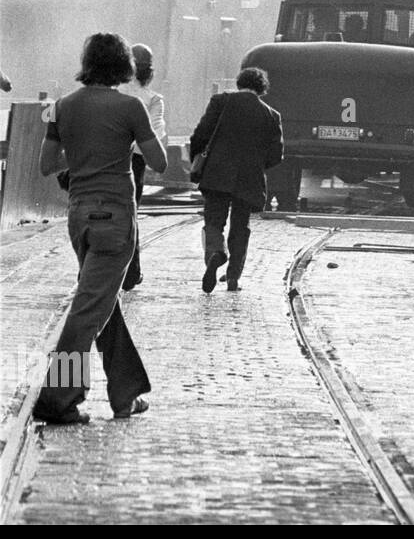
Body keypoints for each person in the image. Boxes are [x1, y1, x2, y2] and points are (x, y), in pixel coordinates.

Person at [32, 33, 167, 425]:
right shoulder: (131, 107)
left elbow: (46, 165)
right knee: (88, 309)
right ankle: (58, 398)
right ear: (124, 65)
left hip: (79, 218)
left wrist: (83, 156)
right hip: (115, 219)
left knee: (100, 301)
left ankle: (126, 394)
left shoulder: (61, 108)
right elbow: (157, 161)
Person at [189, 67, 284, 293]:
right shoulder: (271, 115)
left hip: (217, 173)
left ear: (239, 82)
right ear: (262, 89)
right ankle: (233, 277)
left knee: (213, 221)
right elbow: (276, 154)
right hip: (249, 178)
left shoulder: (220, 102)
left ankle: (215, 252)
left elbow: (200, 134)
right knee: (241, 227)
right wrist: (258, 165)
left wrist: (198, 160)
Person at [122, 44, 166, 291]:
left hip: (101, 158)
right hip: (132, 165)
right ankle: (131, 272)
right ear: (149, 72)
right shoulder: (153, 100)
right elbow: (155, 136)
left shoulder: (111, 92)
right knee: (130, 215)